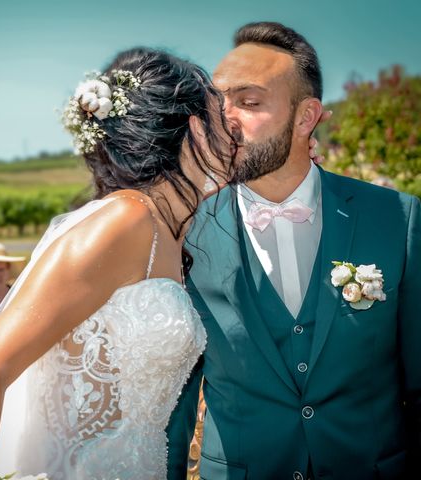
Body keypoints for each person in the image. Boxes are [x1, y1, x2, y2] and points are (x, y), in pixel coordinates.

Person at [0, 47, 237, 480]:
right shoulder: (125, 221)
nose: (235, 126)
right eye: (222, 114)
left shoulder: (174, 229)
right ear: (195, 129)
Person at [166, 22, 421, 480]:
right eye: (217, 102)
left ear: (306, 117)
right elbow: (175, 403)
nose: (226, 118)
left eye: (249, 101)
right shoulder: (187, 229)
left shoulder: (397, 219)